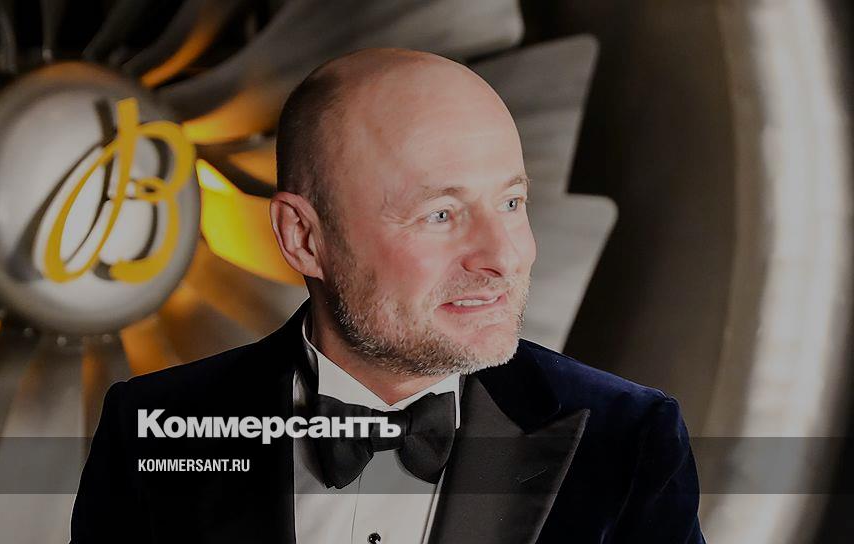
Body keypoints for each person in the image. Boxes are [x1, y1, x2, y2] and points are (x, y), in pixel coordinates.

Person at [71, 48, 706, 543]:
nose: (504, 256)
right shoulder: (151, 431)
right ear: (304, 238)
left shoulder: (631, 439)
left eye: (512, 203)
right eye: (440, 214)